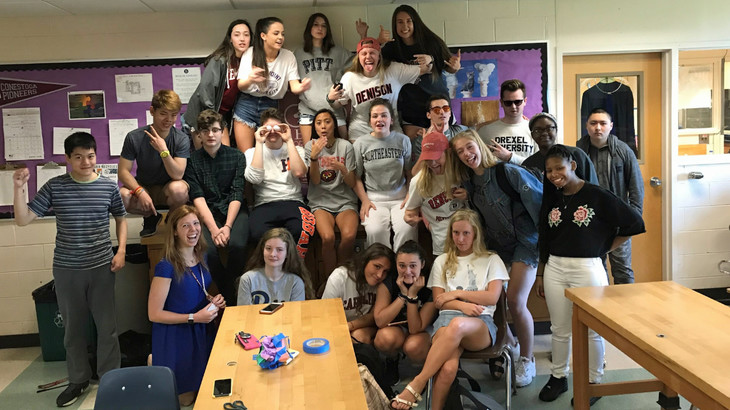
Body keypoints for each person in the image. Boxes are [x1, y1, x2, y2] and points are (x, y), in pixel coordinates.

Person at [13, 132, 127, 407]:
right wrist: (18, 189)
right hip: (67, 269)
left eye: (90, 156)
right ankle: (78, 380)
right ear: (67, 159)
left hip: (102, 266)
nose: (85, 162)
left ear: (95, 156)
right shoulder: (55, 186)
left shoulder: (108, 187)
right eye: (78, 157)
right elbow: (22, 219)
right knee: (73, 330)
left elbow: (121, 217)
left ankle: (109, 378)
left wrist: (121, 250)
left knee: (107, 328)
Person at [536, 145, 645, 404]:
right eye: (549, 170)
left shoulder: (597, 195)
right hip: (555, 268)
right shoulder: (552, 196)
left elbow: (635, 223)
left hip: (587, 269)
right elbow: (545, 235)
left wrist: (604, 247)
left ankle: (593, 381)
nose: (553, 174)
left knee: (591, 331)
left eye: (559, 168)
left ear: (573, 165)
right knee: (559, 329)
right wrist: (541, 273)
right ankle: (558, 377)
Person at [446, 129, 543, 387]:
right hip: (498, 246)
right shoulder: (470, 185)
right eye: (460, 151)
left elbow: (539, 205)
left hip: (526, 242)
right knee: (495, 299)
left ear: (479, 145)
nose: (467, 154)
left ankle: (527, 358)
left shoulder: (507, 172)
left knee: (515, 300)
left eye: (470, 147)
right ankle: (508, 342)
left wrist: (545, 255)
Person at [390, 209, 509, 410]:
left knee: (458, 324)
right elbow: (439, 301)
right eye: (455, 233)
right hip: (446, 322)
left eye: (466, 233)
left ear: (476, 234)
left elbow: (491, 297)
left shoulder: (491, 260)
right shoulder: (442, 261)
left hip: (480, 324)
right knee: (448, 367)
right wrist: (462, 305)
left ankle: (417, 384)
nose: (460, 239)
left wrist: (454, 295)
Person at [148, 205, 225, 407]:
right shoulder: (166, 265)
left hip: (200, 330)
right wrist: (193, 317)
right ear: (174, 231)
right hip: (177, 332)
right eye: (185, 226)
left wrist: (213, 300)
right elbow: (154, 314)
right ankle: (154, 360)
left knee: (206, 393)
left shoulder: (202, 256)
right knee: (186, 400)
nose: (193, 230)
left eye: (196, 224)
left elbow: (196, 289)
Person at [183, 109, 248, 305]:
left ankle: (234, 291)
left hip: (234, 210)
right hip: (206, 213)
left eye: (215, 130)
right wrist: (213, 229)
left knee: (237, 245)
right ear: (199, 135)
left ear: (222, 132)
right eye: (206, 131)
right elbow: (198, 198)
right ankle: (227, 293)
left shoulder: (237, 156)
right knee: (207, 251)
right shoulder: (192, 161)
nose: (211, 135)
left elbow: (237, 193)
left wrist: (227, 227)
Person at [577, 108, 644, 284]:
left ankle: (626, 310)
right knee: (595, 266)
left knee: (622, 268)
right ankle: (601, 308)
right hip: (590, 220)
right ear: (587, 126)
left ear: (611, 126)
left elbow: (636, 187)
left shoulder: (623, 151)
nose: (598, 127)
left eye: (603, 123)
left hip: (618, 219)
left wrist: (633, 219)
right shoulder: (578, 151)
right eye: (593, 123)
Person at [326, 37, 430, 141]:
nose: (368, 57)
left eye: (372, 53)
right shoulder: (350, 78)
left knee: (403, 147)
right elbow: (337, 104)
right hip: (361, 129)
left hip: (390, 127)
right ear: (358, 57)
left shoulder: (393, 70)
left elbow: (426, 68)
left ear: (379, 56)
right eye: (364, 53)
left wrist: (430, 59)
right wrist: (330, 98)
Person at [381, 5, 462, 139]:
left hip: (438, 103)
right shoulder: (392, 48)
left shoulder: (431, 42)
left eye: (409, 21)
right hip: (412, 110)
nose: (404, 26)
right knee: (420, 150)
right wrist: (378, 42)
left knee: (445, 147)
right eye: (400, 22)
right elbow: (370, 63)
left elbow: (449, 67)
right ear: (394, 25)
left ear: (415, 22)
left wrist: (453, 66)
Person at [244, 108, 315, 258]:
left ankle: (294, 270)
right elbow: (255, 179)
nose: (272, 132)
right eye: (267, 129)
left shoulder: (297, 150)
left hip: (292, 201)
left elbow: (299, 173)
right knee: (256, 233)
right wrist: (258, 142)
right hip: (265, 203)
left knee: (302, 230)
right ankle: (271, 273)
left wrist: (289, 140)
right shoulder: (251, 152)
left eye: (276, 128)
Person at [233, 17, 312, 152]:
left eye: (282, 34)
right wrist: (251, 79)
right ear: (263, 36)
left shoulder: (288, 56)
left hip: (270, 106)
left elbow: (294, 86)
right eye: (276, 33)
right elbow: (241, 85)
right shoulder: (250, 53)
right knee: (246, 155)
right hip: (247, 104)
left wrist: (302, 87)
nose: (280, 37)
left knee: (269, 153)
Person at [119, 89, 190, 237]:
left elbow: (177, 174)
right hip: (145, 187)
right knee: (122, 196)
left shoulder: (181, 138)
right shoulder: (134, 137)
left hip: (168, 188)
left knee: (179, 190)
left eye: (173, 115)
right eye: (163, 113)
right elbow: (123, 172)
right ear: (152, 111)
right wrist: (140, 191)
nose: (169, 120)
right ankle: (151, 217)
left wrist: (163, 151)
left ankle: (172, 217)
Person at [353, 99, 416, 251]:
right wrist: (364, 200)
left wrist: (410, 197)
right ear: (370, 121)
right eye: (375, 116)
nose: (379, 119)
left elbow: (410, 173)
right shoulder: (360, 144)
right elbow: (356, 178)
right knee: (376, 232)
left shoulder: (403, 140)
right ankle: (383, 271)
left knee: (407, 229)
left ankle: (403, 271)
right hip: (374, 199)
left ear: (391, 120)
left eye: (384, 115)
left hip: (401, 198)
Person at [304, 108, 359, 277]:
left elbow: (351, 183)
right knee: (327, 237)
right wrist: (314, 158)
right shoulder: (310, 146)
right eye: (319, 123)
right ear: (314, 126)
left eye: (327, 121)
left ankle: (341, 278)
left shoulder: (346, 146)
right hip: (320, 202)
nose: (323, 126)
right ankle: (330, 281)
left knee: (349, 236)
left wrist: (342, 168)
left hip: (345, 201)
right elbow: (315, 181)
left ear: (334, 124)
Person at [373, 241, 437, 385]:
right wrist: (403, 296)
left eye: (413, 266)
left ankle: (426, 373)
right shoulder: (389, 280)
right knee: (384, 337)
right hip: (399, 326)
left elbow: (415, 329)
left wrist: (413, 295)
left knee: (413, 346)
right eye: (402, 265)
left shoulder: (431, 285)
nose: (407, 271)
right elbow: (380, 321)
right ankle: (392, 360)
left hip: (423, 329)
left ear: (422, 264)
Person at [183, 19, 252, 149]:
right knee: (208, 157)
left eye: (246, 35)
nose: (242, 39)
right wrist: (212, 121)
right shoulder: (220, 59)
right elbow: (206, 92)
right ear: (230, 39)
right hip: (203, 114)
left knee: (224, 155)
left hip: (221, 116)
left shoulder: (247, 62)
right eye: (237, 35)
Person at [404, 132, 467, 256]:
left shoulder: (460, 170)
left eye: (437, 157)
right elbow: (410, 213)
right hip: (442, 240)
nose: (432, 163)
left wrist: (467, 195)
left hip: (467, 234)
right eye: (427, 159)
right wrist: (410, 218)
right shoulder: (419, 182)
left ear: (448, 153)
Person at [294, 13, 352, 144]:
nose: (320, 28)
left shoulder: (338, 52)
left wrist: (363, 37)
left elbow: (360, 63)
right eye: (316, 25)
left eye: (323, 26)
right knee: (310, 152)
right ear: (309, 28)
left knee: (346, 148)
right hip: (308, 109)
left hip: (334, 109)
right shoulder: (298, 53)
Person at [322, 243, 395, 344]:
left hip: (366, 327)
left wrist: (351, 325)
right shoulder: (339, 277)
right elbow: (325, 314)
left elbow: (375, 316)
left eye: (385, 271)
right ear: (365, 261)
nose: (379, 275)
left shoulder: (383, 283)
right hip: (338, 327)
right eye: (377, 266)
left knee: (358, 336)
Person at [238, 228, 314, 305]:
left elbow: (295, 315)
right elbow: (243, 314)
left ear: (287, 253)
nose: (273, 254)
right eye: (268, 248)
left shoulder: (296, 282)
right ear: (262, 250)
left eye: (279, 250)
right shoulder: (247, 279)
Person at [522, 112, 597, 183]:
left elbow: (593, 187)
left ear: (556, 131)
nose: (544, 133)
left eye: (549, 128)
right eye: (538, 130)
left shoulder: (576, 154)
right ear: (532, 135)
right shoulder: (528, 165)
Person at [477, 79, 535, 165]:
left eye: (517, 102)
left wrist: (510, 157)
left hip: (527, 178)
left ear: (525, 101)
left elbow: (539, 167)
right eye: (508, 103)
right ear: (501, 103)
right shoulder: (485, 131)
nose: (513, 106)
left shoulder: (534, 131)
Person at [411, 93, 469, 170]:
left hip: (460, 178)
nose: (442, 112)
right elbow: (417, 173)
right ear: (428, 115)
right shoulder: (420, 140)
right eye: (436, 110)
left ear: (450, 113)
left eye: (446, 109)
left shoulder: (462, 131)